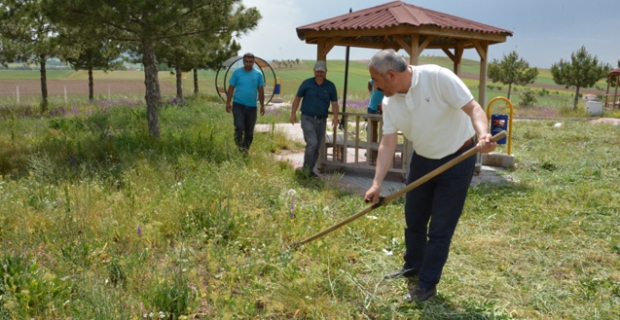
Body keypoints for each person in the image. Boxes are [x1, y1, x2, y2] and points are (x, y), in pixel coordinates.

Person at [363, 49, 497, 303]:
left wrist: (483, 135)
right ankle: (413, 266)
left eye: (377, 82)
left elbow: (474, 108)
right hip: (423, 160)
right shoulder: (390, 103)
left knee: (439, 229)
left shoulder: (438, 77)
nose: (375, 87)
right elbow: (388, 142)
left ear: (391, 75)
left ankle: (427, 285)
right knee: (414, 218)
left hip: (457, 159)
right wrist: (376, 183)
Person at [290, 60, 340, 177]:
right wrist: (293, 114)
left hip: (322, 120)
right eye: (317, 71)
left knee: (317, 147)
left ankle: (310, 171)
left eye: (322, 72)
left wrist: (336, 117)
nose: (319, 74)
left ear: (326, 72)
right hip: (307, 118)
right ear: (314, 71)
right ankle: (306, 169)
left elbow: (335, 103)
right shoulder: (306, 83)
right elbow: (297, 99)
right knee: (312, 143)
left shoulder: (330, 86)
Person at [225, 53, 265, 152]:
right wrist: (228, 102)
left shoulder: (258, 74)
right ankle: (239, 146)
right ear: (243, 61)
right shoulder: (237, 73)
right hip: (238, 104)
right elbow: (231, 88)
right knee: (239, 127)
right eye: (246, 61)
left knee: (249, 131)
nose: (248, 64)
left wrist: (262, 106)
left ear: (253, 61)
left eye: (251, 62)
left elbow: (261, 91)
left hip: (252, 106)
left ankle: (245, 150)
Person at [366, 79, 384, 163]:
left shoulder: (390, 80)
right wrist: (371, 92)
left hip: (384, 108)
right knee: (372, 131)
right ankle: (371, 153)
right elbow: (369, 83)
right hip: (372, 107)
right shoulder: (377, 77)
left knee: (384, 131)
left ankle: (382, 152)